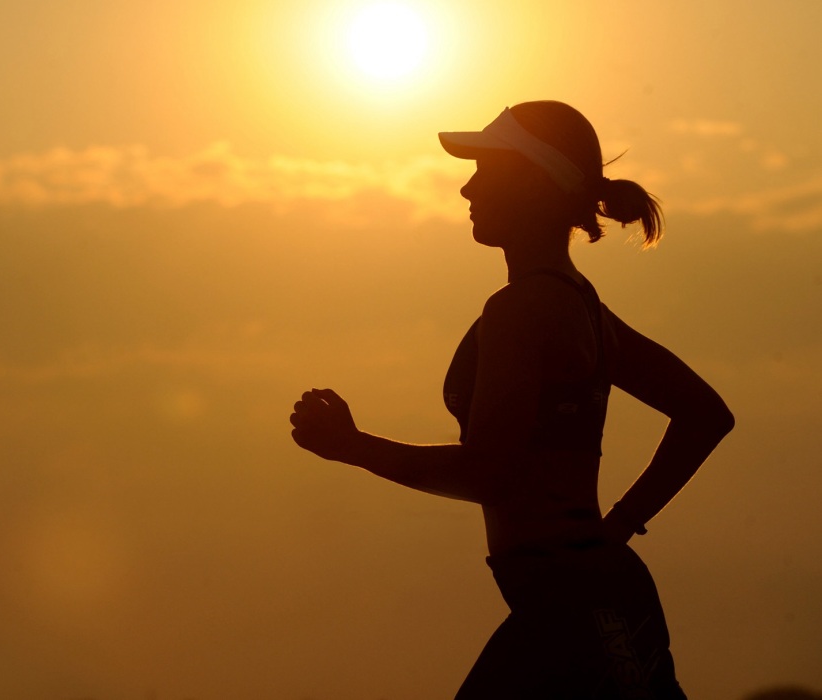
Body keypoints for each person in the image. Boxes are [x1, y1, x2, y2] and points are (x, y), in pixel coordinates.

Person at [288, 101, 734, 699]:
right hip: (592, 595)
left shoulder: (521, 310)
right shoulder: (582, 308)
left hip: (572, 605)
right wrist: (620, 525)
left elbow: (491, 473)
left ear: (532, 180)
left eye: (485, 170)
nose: (466, 187)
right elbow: (706, 414)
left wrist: (353, 447)